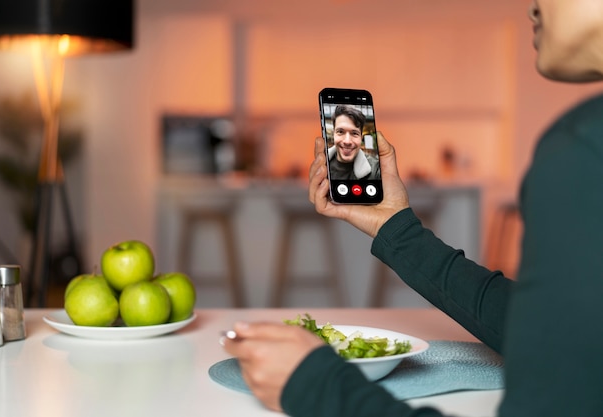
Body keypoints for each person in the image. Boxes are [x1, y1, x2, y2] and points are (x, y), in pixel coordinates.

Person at [222, 1, 603, 416]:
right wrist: (397, 228)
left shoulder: (582, 149)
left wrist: (317, 387)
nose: (532, 6)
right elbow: (555, 336)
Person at [327, 104, 381, 180]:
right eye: (340, 132)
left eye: (354, 133)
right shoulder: (321, 164)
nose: (347, 141)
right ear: (334, 134)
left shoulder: (376, 169)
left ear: (361, 138)